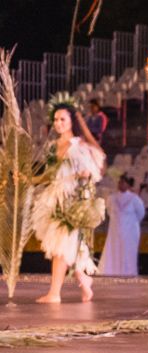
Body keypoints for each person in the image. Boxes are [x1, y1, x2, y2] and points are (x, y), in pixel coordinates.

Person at [30, 93, 106, 303]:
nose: (58, 123)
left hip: (72, 200)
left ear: (72, 121)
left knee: (61, 246)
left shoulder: (78, 145)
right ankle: (84, 281)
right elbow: (50, 174)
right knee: (64, 246)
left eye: (63, 119)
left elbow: (92, 172)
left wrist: (83, 176)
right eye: (55, 119)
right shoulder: (54, 146)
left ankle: (55, 293)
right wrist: (30, 179)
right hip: (55, 198)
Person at [98, 175, 145, 277]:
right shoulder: (112, 198)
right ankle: (112, 270)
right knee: (114, 249)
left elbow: (141, 213)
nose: (121, 184)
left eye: (124, 182)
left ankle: (128, 272)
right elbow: (110, 211)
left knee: (127, 251)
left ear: (128, 185)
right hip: (115, 231)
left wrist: (130, 222)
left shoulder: (134, 199)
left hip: (130, 231)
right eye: (120, 182)